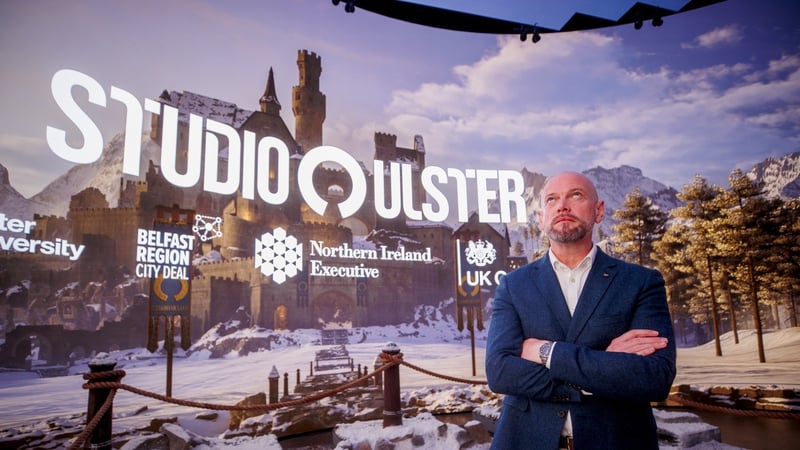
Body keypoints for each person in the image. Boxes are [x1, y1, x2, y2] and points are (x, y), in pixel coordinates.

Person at [485, 171, 676, 450]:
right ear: (541, 218)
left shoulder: (641, 282)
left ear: (599, 211)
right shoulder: (513, 285)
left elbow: (653, 378)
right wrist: (601, 366)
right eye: (552, 199)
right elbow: (500, 371)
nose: (563, 205)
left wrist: (546, 352)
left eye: (576, 195)